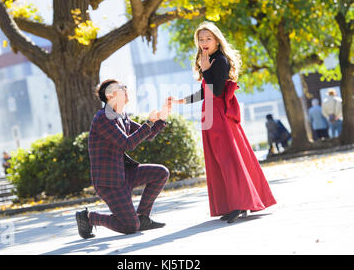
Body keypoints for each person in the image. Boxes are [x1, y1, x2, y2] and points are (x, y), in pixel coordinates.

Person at [168, 21, 276, 224]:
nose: (204, 42)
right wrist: (181, 101)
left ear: (217, 40)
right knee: (218, 159)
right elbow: (205, 91)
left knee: (228, 159)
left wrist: (206, 69)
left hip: (219, 115)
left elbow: (217, 91)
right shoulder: (207, 60)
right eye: (201, 39)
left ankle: (240, 202)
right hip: (209, 113)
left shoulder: (220, 61)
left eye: (208, 38)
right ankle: (233, 203)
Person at [75, 79, 172, 239]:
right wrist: (148, 122)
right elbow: (128, 143)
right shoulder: (103, 118)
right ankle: (89, 218)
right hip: (109, 183)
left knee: (161, 173)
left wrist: (161, 118)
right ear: (110, 95)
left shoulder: (121, 115)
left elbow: (147, 134)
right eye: (122, 88)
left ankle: (143, 217)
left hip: (124, 174)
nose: (126, 89)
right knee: (129, 226)